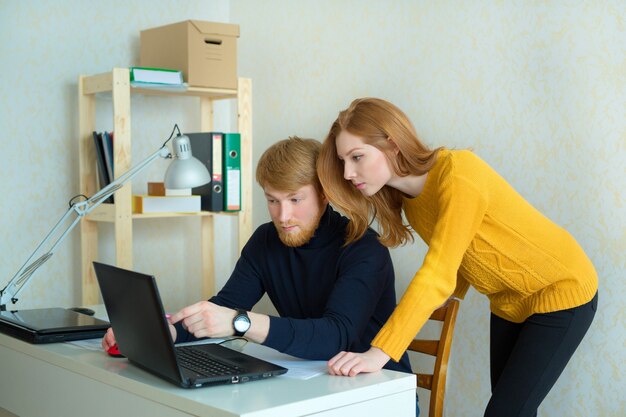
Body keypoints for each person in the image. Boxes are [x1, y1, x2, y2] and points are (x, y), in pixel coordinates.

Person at [317, 98, 598, 417]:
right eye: (343, 161)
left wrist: (378, 353)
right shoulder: (412, 201)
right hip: (508, 301)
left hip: (562, 288)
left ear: (392, 145)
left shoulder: (457, 173)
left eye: (357, 157)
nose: (348, 172)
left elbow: (437, 272)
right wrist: (448, 298)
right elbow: (461, 251)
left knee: (505, 412)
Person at [102, 136, 412, 376]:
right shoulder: (266, 240)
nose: (284, 215)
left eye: (295, 199)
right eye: (272, 201)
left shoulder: (364, 247)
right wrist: (161, 332)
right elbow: (223, 308)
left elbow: (335, 336)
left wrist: (241, 323)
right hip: (317, 382)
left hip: (380, 389)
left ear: (325, 193)